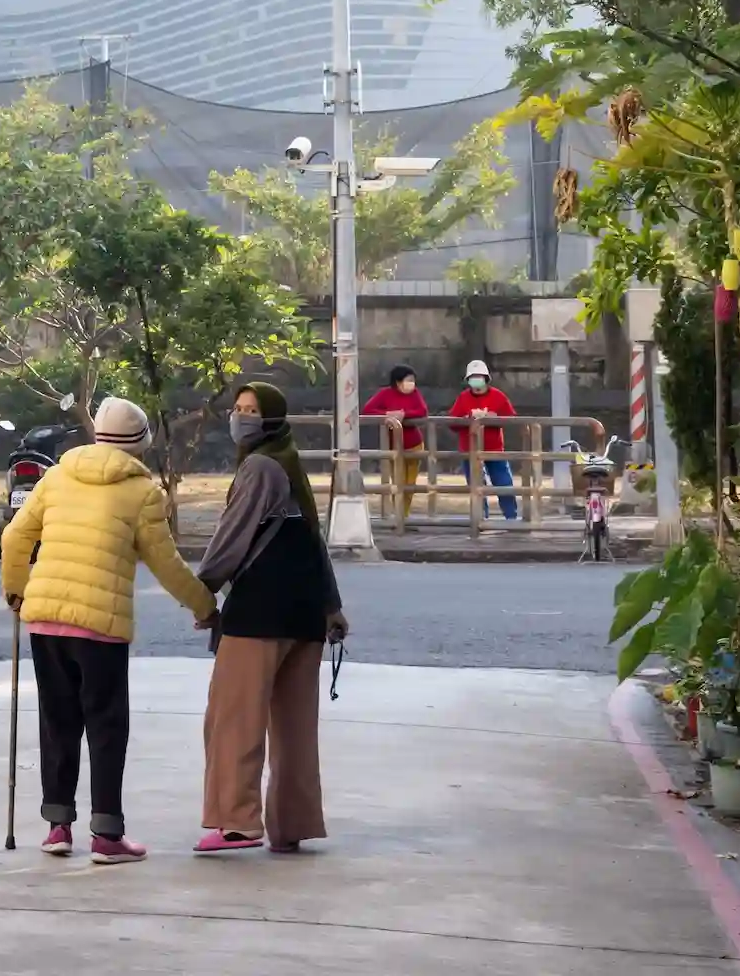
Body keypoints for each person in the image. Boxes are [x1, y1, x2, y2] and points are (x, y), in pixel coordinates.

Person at [0, 395, 217, 864]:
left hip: (45, 617)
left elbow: (15, 536)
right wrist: (205, 605)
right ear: (140, 444)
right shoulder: (142, 493)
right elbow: (167, 564)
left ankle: (58, 828)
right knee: (105, 725)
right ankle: (106, 834)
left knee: (57, 722)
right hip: (100, 626)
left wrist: (16, 589)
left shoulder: (56, 476)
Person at [193, 381, 345, 854]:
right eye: (238, 408)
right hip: (306, 614)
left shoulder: (258, 468)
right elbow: (314, 544)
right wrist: (332, 606)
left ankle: (236, 822)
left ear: (272, 419)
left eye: (252, 410)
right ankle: (291, 823)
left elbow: (232, 536)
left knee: (233, 718)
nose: (241, 417)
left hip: (260, 611)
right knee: (295, 727)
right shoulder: (290, 465)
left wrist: (203, 591)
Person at [446, 360, 522, 522]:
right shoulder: (463, 398)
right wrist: (467, 419)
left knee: (503, 483)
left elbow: (511, 418)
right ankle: (481, 518)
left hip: (494, 449)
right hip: (470, 450)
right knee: (476, 485)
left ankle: (511, 516)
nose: (476, 380)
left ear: (486, 378)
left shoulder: (498, 396)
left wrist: (493, 417)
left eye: (479, 376)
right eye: (472, 377)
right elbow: (452, 422)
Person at [359, 364, 431, 521]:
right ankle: (398, 515)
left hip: (414, 444)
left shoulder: (415, 394)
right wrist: (387, 415)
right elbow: (368, 410)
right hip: (394, 446)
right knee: (397, 481)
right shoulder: (385, 394)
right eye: (408, 380)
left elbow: (422, 411)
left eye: (413, 380)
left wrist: (404, 414)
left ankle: (403, 516)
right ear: (398, 382)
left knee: (409, 483)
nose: (411, 383)